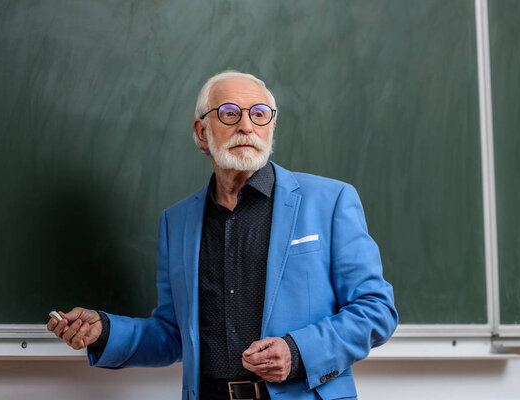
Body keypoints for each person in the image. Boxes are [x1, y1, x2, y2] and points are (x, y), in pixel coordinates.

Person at [47, 70, 398, 400]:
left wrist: (297, 352)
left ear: (271, 126)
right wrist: (105, 331)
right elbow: (173, 333)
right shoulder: (177, 222)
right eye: (229, 113)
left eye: (259, 114)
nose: (246, 126)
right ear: (202, 132)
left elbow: (376, 311)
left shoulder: (331, 201)